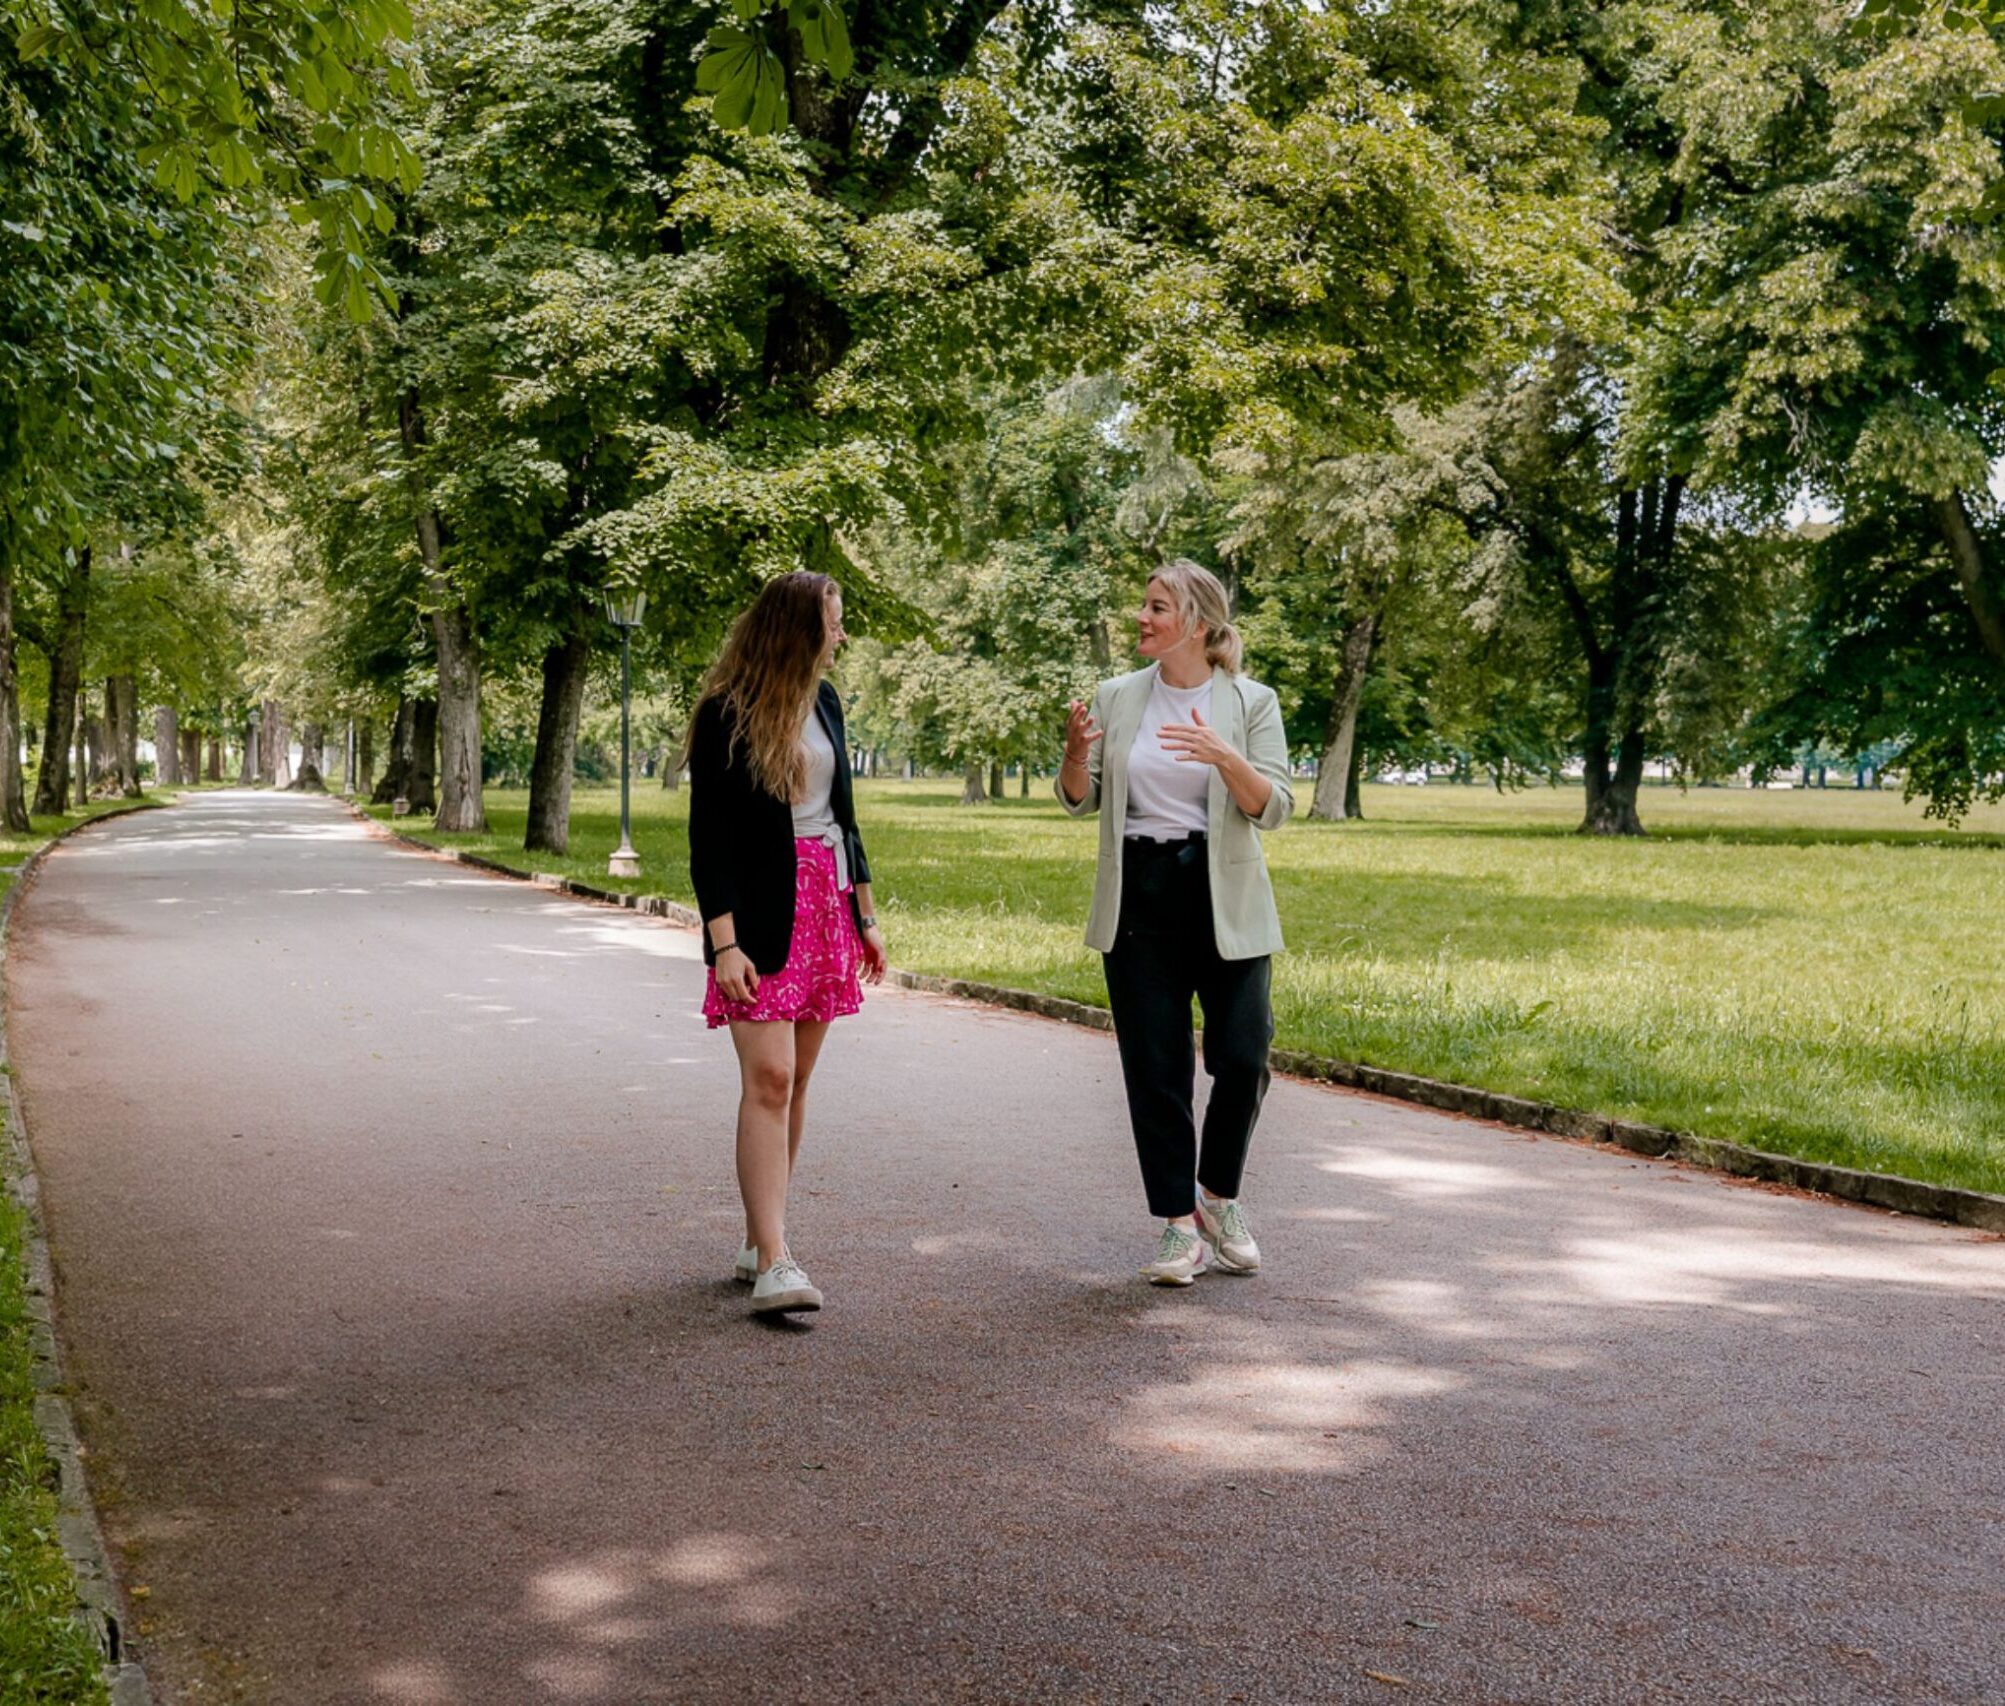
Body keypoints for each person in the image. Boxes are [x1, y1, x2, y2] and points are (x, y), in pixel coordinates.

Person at [1058, 559, 1293, 1285]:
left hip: (1225, 898)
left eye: (1156, 607)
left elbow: (1275, 808)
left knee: (1244, 1055)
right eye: (1143, 605)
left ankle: (1217, 1199)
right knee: (1155, 1070)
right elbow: (1079, 799)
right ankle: (1174, 1228)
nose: (1142, 617)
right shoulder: (1117, 696)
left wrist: (1225, 758)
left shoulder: (1250, 702)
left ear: (1195, 621)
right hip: (1140, 894)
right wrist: (1072, 756)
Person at [686, 572, 887, 1316]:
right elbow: (709, 841)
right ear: (799, 628)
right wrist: (723, 945)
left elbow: (847, 818)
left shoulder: (825, 702)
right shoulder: (725, 714)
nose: (841, 636)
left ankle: (758, 1236)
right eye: (832, 623)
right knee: (768, 1077)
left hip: (824, 904)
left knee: (796, 1079)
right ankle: (775, 1259)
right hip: (760, 915)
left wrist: (865, 915)